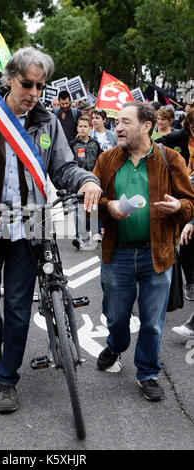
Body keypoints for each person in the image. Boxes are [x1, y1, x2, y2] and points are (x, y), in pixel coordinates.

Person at [0, 47, 101, 414]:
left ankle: (7, 379)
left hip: (33, 221)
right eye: (27, 84)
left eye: (39, 86)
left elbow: (63, 167)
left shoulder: (46, 123)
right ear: (10, 79)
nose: (33, 92)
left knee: (17, 306)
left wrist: (87, 179)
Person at [93, 101, 194, 401]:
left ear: (146, 126)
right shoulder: (107, 159)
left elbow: (190, 205)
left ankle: (147, 372)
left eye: (125, 122)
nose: (118, 128)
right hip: (117, 254)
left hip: (158, 255)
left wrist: (179, 208)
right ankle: (115, 344)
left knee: (152, 321)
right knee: (115, 316)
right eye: (116, 123)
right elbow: (91, 203)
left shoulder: (169, 158)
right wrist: (107, 207)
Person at [157, 110, 194, 300]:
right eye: (192, 127)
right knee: (183, 241)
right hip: (180, 193)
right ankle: (190, 282)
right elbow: (155, 146)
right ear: (188, 125)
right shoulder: (178, 137)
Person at [70, 115, 102, 249]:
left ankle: (96, 233)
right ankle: (80, 236)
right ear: (77, 128)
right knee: (79, 209)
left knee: (94, 205)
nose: (82, 129)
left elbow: (100, 159)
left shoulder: (95, 143)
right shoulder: (73, 144)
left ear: (90, 128)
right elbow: (70, 163)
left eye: (85, 126)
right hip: (79, 182)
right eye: (80, 126)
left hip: (93, 181)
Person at [90, 109, 117, 242]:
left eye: (97, 118)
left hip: (111, 171)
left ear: (104, 120)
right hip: (95, 172)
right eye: (93, 118)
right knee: (97, 200)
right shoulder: (89, 134)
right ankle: (96, 231)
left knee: (110, 199)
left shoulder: (112, 136)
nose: (94, 120)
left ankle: (108, 228)